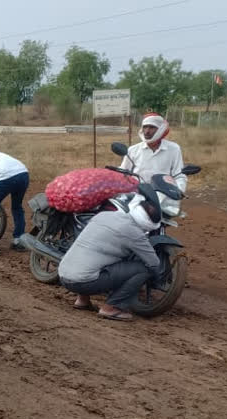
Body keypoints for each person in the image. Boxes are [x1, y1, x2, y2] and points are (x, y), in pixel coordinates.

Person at [58, 185, 162, 322]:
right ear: (149, 223)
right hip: (83, 282)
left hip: (63, 274)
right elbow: (154, 264)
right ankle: (111, 308)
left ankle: (82, 300)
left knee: (95, 257)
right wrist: (156, 279)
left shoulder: (104, 215)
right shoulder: (135, 233)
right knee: (143, 270)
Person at [121, 112, 187, 192]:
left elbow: (179, 175)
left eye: (152, 127)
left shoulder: (173, 149)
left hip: (165, 195)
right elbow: (123, 173)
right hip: (138, 195)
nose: (147, 131)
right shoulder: (133, 150)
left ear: (160, 129)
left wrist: (179, 191)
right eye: (145, 127)